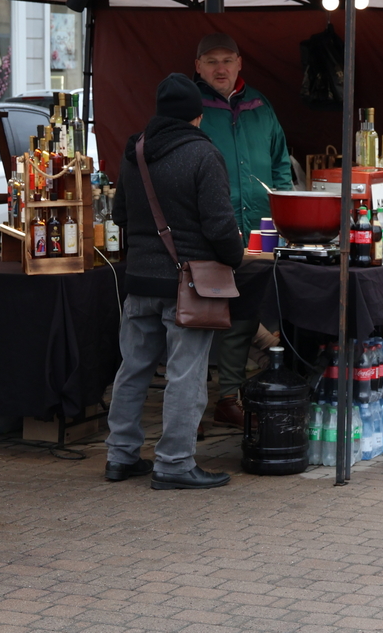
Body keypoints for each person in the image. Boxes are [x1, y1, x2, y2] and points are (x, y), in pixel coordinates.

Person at [104, 74, 246, 489]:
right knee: (186, 375)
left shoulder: (136, 150)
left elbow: (120, 215)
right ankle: (175, 463)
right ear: (197, 116)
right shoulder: (204, 154)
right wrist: (236, 257)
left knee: (132, 371)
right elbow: (220, 226)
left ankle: (120, 456)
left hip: (139, 281)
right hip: (188, 285)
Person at [194, 33, 292, 428]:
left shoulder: (260, 106)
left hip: (262, 227)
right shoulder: (193, 108)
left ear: (239, 63)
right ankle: (230, 392)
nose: (220, 68)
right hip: (214, 227)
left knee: (249, 306)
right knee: (221, 310)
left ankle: (237, 391)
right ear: (198, 66)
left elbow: (280, 162)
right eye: (211, 61)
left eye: (227, 60)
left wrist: (284, 212)